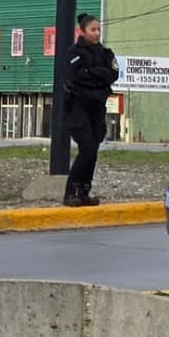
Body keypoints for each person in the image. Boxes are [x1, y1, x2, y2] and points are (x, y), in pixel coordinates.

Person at [63, 13, 118, 207]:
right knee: (86, 149)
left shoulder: (105, 53)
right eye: (92, 30)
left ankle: (84, 190)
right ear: (82, 31)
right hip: (78, 106)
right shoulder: (74, 52)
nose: (96, 33)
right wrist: (96, 75)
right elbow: (74, 77)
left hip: (97, 107)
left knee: (93, 150)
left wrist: (92, 73)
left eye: (98, 30)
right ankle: (71, 191)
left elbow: (112, 73)